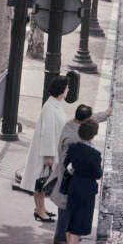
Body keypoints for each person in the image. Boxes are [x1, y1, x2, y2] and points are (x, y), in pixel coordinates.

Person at [48, 103, 111, 244]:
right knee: (65, 208)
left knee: (71, 208)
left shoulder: (77, 123)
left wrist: (106, 114)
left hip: (72, 178)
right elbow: (67, 162)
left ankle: (70, 235)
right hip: (68, 177)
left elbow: (93, 118)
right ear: (84, 120)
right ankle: (61, 236)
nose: (92, 120)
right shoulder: (73, 139)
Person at [22, 76, 69, 223]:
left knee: (42, 181)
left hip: (50, 150)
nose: (68, 90)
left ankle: (41, 209)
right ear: (62, 90)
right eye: (67, 87)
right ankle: (40, 211)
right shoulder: (50, 108)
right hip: (46, 153)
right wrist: (48, 155)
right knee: (41, 182)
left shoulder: (54, 104)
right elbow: (47, 132)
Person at [64, 120, 103, 244]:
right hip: (86, 188)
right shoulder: (94, 154)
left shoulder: (73, 147)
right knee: (80, 220)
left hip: (74, 185)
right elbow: (98, 173)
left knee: (72, 216)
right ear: (93, 135)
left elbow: (66, 164)